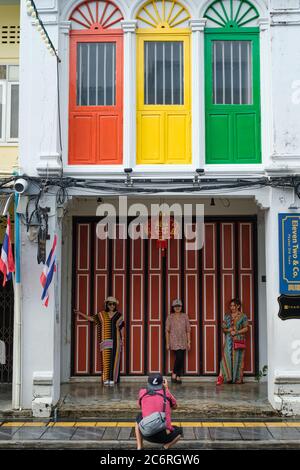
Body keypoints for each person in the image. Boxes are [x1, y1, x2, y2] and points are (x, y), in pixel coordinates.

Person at [74, 296, 124, 386]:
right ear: (107, 305)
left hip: (116, 340)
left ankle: (113, 379)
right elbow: (92, 319)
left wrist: (122, 340)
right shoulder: (101, 315)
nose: (112, 306)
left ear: (115, 305)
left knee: (115, 360)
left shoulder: (119, 315)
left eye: (113, 304)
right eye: (110, 304)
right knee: (106, 360)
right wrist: (80, 313)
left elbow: (121, 329)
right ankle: (106, 379)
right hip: (105, 340)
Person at [135, 374, 183, 450]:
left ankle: (139, 447)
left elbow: (139, 406)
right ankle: (165, 447)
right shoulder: (166, 393)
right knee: (179, 431)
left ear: (148, 383)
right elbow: (175, 407)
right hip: (164, 437)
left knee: (139, 417)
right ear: (162, 383)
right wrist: (167, 389)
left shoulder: (142, 392)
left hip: (145, 433)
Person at [216, 298, 249, 385]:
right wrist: (228, 330)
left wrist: (237, 332)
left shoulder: (243, 316)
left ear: (238, 306)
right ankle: (223, 377)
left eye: (234, 305)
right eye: (231, 305)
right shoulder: (227, 316)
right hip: (228, 340)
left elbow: (246, 328)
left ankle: (236, 379)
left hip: (238, 339)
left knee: (237, 359)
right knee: (225, 358)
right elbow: (223, 328)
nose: (232, 307)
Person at [166, 299, 191, 384]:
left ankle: (178, 375)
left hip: (183, 340)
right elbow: (167, 330)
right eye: (176, 306)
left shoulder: (185, 316)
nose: (177, 308)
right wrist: (167, 343)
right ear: (173, 307)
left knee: (180, 358)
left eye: (179, 306)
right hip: (174, 340)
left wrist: (189, 341)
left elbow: (188, 329)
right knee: (179, 356)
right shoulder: (170, 317)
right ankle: (175, 373)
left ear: (181, 307)